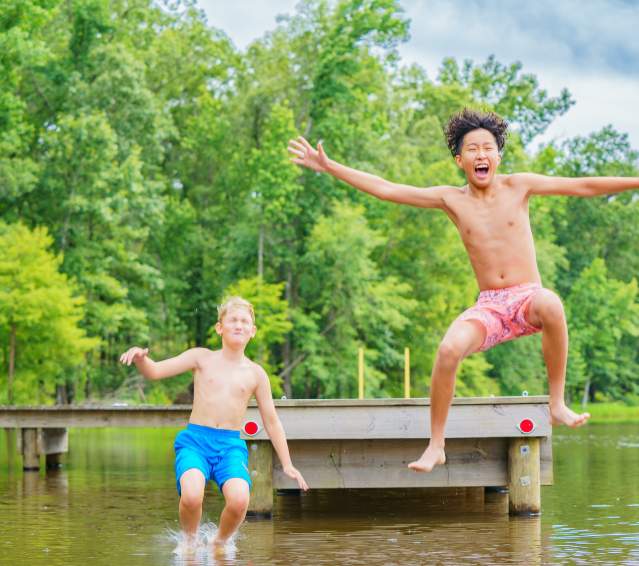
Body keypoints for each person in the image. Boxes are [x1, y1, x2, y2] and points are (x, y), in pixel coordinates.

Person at [288, 108, 639, 473]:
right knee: (448, 349)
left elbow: (583, 186)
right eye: (472, 149)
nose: (481, 155)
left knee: (551, 303)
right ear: (460, 160)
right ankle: (436, 445)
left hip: (526, 298)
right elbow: (387, 189)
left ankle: (556, 403)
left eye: (488, 148)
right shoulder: (451, 199)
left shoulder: (520, 186)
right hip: (490, 306)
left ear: (499, 156)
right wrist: (331, 167)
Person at [119, 296, 308, 550]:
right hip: (196, 442)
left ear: (252, 331)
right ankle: (188, 542)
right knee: (192, 494)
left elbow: (272, 421)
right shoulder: (201, 358)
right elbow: (155, 371)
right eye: (232, 320)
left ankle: (219, 543)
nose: (238, 325)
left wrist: (287, 463)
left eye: (244, 321)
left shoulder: (256, 374)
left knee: (240, 499)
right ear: (220, 327)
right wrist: (142, 359)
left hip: (229, 446)